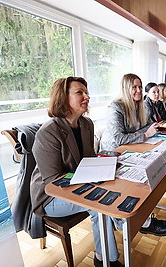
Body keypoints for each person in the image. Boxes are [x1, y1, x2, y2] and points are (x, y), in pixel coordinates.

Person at [30, 77, 124, 267]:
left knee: (115, 190)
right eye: (79, 92)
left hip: (79, 184)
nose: (87, 96)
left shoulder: (87, 124)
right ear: (63, 98)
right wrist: (91, 178)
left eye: (86, 92)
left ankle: (119, 238)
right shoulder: (48, 132)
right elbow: (53, 183)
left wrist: (106, 167)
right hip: (50, 196)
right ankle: (106, 259)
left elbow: (88, 160)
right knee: (100, 205)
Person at [100, 73, 166, 236]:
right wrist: (144, 134)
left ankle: (142, 215)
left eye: (140, 87)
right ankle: (133, 221)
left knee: (150, 171)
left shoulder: (138, 106)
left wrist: (143, 132)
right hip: (112, 153)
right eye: (134, 87)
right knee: (135, 181)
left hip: (131, 149)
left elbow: (149, 126)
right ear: (126, 88)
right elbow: (119, 138)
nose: (139, 90)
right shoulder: (116, 107)